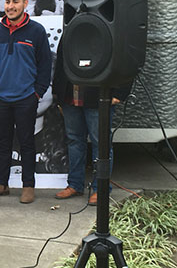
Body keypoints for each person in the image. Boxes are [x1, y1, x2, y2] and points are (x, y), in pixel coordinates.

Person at [0, 0, 52, 204]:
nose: (10, 6)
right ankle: (1, 184)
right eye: (8, 2)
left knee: (27, 143)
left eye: (15, 2)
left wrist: (37, 94)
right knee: (2, 142)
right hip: (0, 98)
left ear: (25, 3)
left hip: (25, 99)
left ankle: (28, 186)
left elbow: (45, 66)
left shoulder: (36, 31)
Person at [53, 40, 131, 205]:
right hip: (70, 96)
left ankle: (100, 189)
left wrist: (121, 92)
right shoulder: (70, 26)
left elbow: (126, 58)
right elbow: (60, 62)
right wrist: (57, 94)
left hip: (98, 97)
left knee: (101, 143)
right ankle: (74, 184)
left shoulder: (108, 25)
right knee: (74, 141)